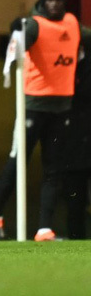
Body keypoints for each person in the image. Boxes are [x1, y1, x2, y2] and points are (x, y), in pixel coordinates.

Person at [0, 0, 91, 241]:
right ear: (43, 1)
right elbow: (19, 41)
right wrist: (16, 32)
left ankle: (44, 228)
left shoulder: (72, 25)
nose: (54, 3)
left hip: (61, 108)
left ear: (64, 2)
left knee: (53, 169)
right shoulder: (35, 25)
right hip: (34, 107)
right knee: (17, 161)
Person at [61, 50, 91, 239]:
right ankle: (75, 240)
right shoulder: (63, 63)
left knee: (75, 204)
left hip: (76, 141)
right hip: (73, 147)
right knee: (74, 205)